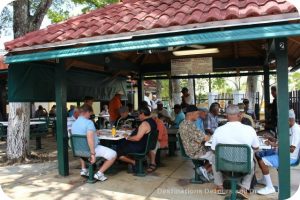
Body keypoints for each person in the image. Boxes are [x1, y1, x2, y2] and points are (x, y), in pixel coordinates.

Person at [211, 105, 259, 198]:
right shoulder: (250, 129)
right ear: (240, 115)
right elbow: (256, 147)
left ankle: (220, 186)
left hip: (224, 165)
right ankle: (243, 189)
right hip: (244, 165)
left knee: (214, 158)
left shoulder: (219, 130)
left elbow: (213, 150)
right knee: (252, 160)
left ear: (226, 116)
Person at [255, 109, 300, 195]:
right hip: (281, 152)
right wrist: (273, 139)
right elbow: (284, 142)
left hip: (289, 157)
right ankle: (265, 179)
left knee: (262, 161)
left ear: (289, 120)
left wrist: (275, 145)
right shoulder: (290, 127)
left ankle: (270, 187)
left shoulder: (296, 130)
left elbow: (291, 149)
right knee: (258, 154)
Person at [71, 104, 117, 181]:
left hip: (78, 150)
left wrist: (95, 132)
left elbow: (82, 134)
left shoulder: (75, 123)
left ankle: (84, 169)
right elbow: (90, 139)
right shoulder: (89, 123)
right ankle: (99, 174)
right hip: (89, 150)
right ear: (87, 112)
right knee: (113, 154)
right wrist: (93, 154)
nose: (90, 116)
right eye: (90, 114)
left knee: (83, 146)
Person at [117, 107, 157, 171]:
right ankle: (135, 162)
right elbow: (141, 132)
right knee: (122, 144)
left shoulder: (144, 124)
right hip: (147, 145)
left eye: (139, 114)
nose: (138, 116)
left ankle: (134, 162)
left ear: (143, 114)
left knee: (118, 150)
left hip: (140, 146)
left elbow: (137, 138)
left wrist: (127, 137)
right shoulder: (152, 121)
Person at [179, 105, 212, 181]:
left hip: (191, 149)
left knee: (214, 152)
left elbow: (201, 137)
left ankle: (204, 169)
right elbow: (205, 138)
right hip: (195, 151)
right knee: (218, 157)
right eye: (197, 113)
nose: (198, 115)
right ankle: (205, 171)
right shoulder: (190, 126)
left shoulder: (184, 123)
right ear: (190, 114)